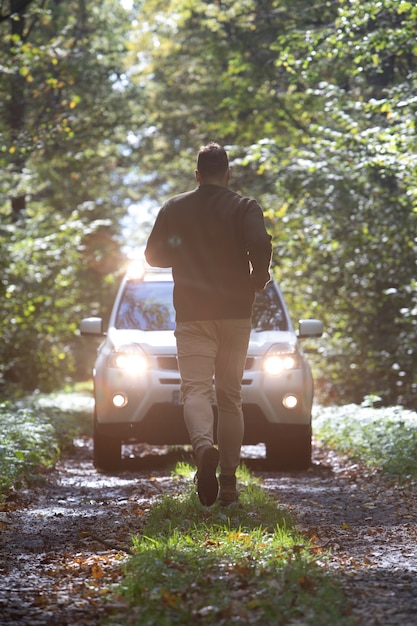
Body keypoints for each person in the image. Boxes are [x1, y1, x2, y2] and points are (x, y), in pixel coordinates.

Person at [145, 142, 272, 506]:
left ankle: (203, 448)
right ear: (228, 174)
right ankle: (229, 483)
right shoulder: (244, 206)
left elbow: (153, 255)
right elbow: (259, 242)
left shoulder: (175, 208)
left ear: (197, 175)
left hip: (193, 313)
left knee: (196, 391)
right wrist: (258, 277)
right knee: (231, 397)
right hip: (235, 313)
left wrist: (184, 248)